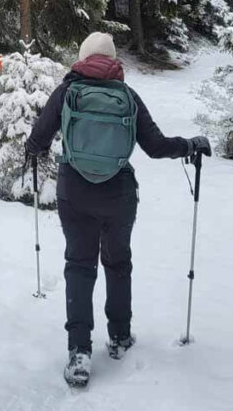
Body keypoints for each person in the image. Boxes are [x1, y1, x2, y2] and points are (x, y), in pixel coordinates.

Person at [25, 31, 211, 388]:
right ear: (113, 60)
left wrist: (38, 148)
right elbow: (155, 146)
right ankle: (120, 336)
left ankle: (79, 351)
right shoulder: (127, 96)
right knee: (117, 262)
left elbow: (37, 141)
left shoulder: (67, 92)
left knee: (79, 266)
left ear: (82, 56)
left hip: (74, 192)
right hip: (118, 196)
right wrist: (190, 145)